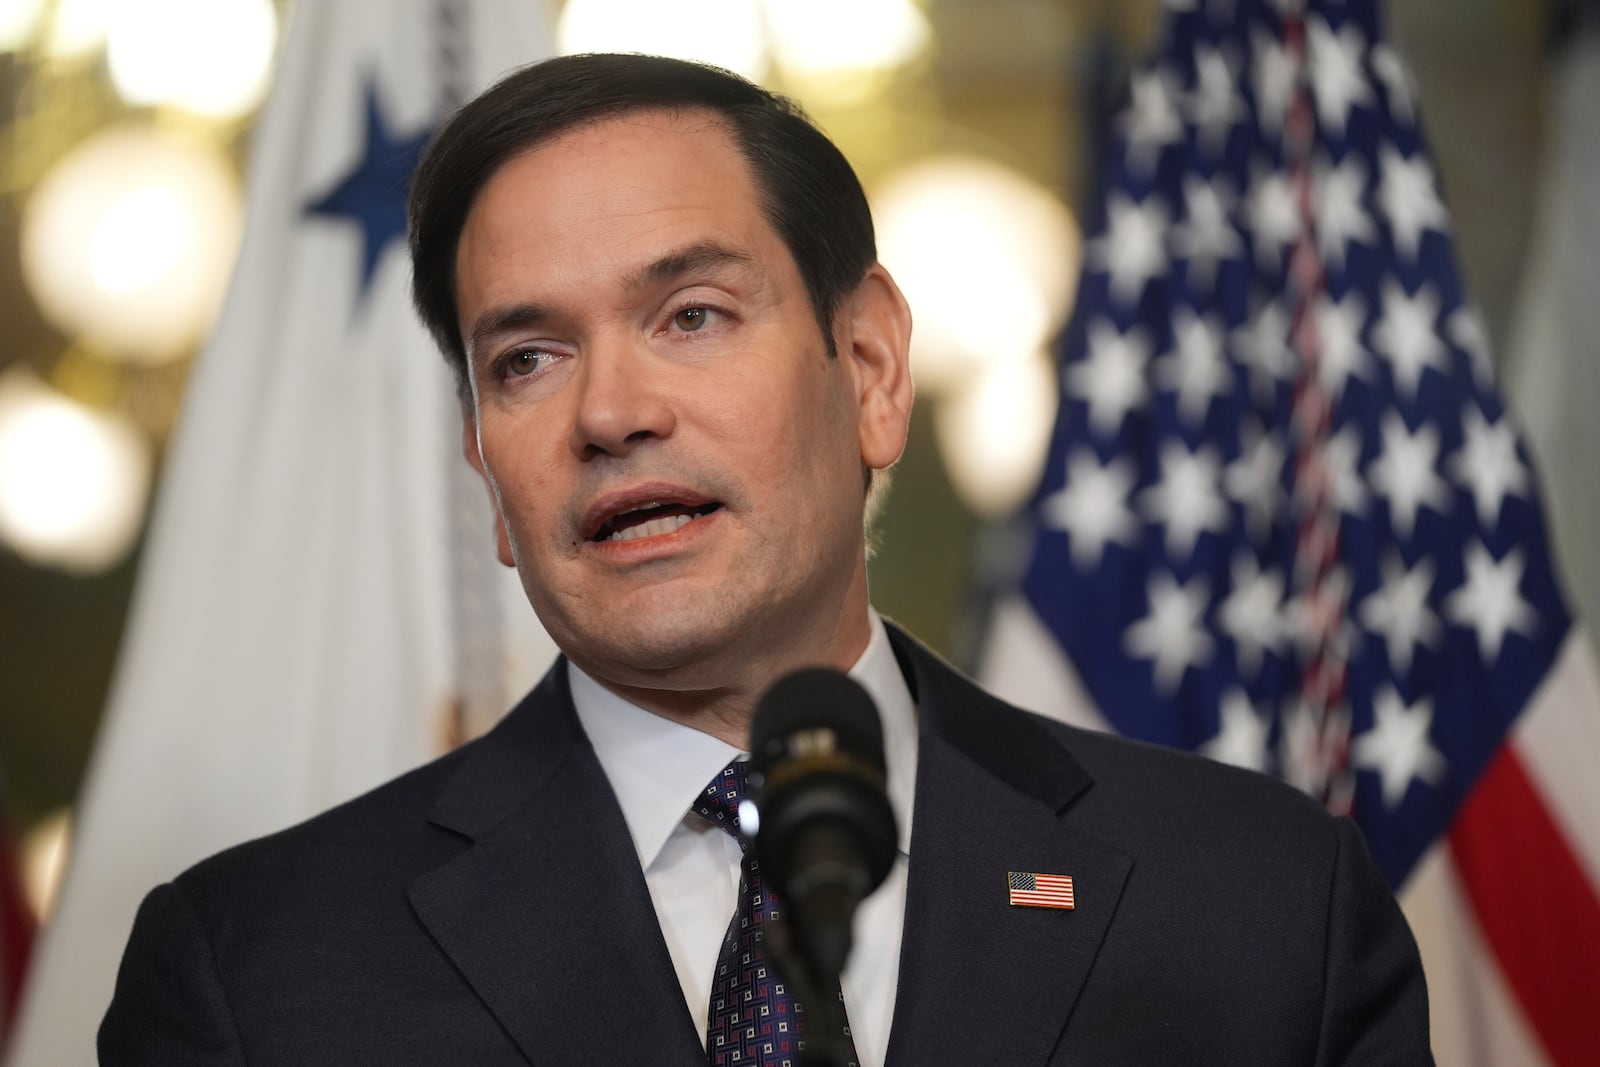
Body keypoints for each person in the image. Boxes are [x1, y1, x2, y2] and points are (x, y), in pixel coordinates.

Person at [99, 54, 1432, 1065]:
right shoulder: (256, 975)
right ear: (487, 477)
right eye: (527, 360)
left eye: (690, 314)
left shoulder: (1261, 909)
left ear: (867, 370)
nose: (610, 413)